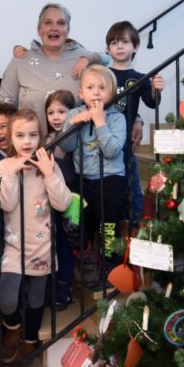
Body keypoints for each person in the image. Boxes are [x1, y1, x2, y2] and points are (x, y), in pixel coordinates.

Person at [0, 109, 71, 367]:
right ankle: (13, 330)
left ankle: (29, 340)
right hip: (15, 246)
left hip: (42, 247)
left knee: (37, 300)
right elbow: (7, 203)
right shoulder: (4, 166)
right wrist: (11, 173)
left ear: (40, 137)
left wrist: (49, 173)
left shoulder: (49, 163)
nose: (26, 141)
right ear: (10, 138)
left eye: (32, 135)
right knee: (7, 299)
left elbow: (63, 204)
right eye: (20, 135)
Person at [58, 65, 128, 289]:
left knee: (108, 226)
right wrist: (74, 123)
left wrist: (99, 122)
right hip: (83, 181)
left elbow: (112, 151)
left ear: (112, 92)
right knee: (77, 220)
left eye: (102, 87)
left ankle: (109, 265)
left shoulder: (117, 118)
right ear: (81, 93)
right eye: (90, 87)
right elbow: (66, 146)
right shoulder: (73, 113)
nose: (96, 92)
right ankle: (86, 257)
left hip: (111, 181)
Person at [0, 3, 103, 134]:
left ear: (68, 29)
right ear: (39, 28)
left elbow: (107, 94)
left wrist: (136, 118)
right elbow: (5, 108)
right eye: (48, 23)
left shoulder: (86, 59)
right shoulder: (20, 60)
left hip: (75, 150)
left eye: (61, 23)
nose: (54, 28)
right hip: (29, 148)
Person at [105, 21, 165, 227]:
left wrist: (157, 90)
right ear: (107, 49)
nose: (119, 46)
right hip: (103, 139)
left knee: (131, 188)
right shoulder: (103, 75)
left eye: (125, 42)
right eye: (114, 43)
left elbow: (151, 102)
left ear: (136, 47)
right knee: (108, 188)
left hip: (126, 145)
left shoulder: (139, 78)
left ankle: (130, 230)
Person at [44, 89, 79, 310]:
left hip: (72, 200)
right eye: (50, 112)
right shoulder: (45, 139)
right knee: (52, 243)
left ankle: (65, 288)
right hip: (50, 201)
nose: (56, 117)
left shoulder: (74, 137)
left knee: (67, 245)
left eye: (61, 111)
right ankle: (53, 286)